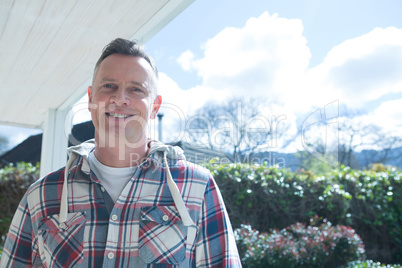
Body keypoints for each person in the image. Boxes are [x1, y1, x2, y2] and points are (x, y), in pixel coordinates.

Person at [0, 38, 241, 267]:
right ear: (91, 98)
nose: (120, 98)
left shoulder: (197, 188)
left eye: (136, 89)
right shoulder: (42, 195)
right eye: (109, 86)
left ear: (155, 106)